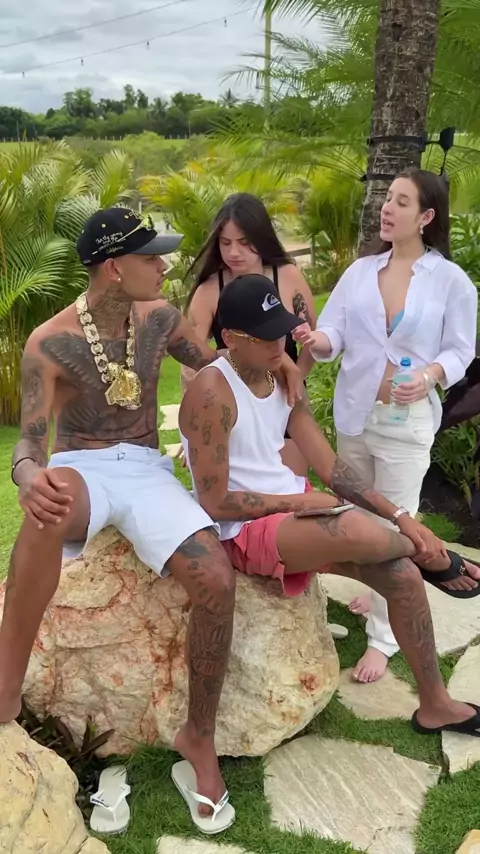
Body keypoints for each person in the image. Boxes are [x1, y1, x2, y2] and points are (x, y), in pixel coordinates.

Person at [0, 209, 300, 836]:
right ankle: (5, 690)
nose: (164, 267)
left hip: (146, 467)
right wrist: (29, 477)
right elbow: (28, 443)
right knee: (47, 512)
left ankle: (199, 737)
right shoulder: (50, 342)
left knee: (214, 578)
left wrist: (277, 360)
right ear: (114, 267)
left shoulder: (161, 317)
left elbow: (222, 364)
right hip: (82, 466)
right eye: (151, 257)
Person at [179, 274, 480, 768]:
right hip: (242, 528)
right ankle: (435, 555)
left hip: (290, 508)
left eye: (281, 332)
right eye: (266, 337)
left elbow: (329, 466)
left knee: (401, 576)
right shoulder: (212, 393)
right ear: (230, 338)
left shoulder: (278, 376)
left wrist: (398, 514)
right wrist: (293, 505)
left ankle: (435, 705)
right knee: (357, 530)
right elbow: (215, 502)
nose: (280, 345)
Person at [294, 168, 479, 682]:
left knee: (400, 523)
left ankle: (383, 637)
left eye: (401, 201)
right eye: (387, 199)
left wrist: (430, 375)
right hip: (356, 412)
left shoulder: (450, 281)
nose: (387, 208)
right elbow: (335, 332)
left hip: (407, 422)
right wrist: (316, 340)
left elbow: (461, 349)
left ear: (426, 216)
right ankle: (373, 589)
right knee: (359, 512)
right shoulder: (361, 272)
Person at [180, 192, 316, 475]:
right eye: (225, 243)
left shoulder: (287, 277)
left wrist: (295, 381)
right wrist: (194, 421)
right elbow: (189, 360)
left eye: (244, 242)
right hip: (235, 407)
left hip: (286, 401)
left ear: (261, 238)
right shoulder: (209, 291)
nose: (233, 252)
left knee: (293, 487)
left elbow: (311, 339)